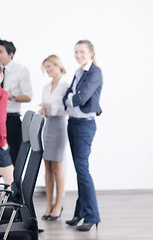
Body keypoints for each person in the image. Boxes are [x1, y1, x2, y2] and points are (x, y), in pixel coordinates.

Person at [63, 40, 103, 231]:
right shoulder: (79, 72)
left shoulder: (95, 72)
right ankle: (80, 213)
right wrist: (71, 97)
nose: (78, 55)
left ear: (91, 53)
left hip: (85, 125)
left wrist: (72, 97)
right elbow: (68, 96)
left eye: (82, 52)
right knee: (80, 169)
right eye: (76, 51)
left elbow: (80, 98)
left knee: (82, 169)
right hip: (72, 123)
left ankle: (92, 215)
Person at [38, 55, 70, 221]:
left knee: (57, 166)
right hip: (47, 125)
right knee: (47, 167)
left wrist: (50, 107)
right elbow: (46, 106)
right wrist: (44, 110)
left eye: (49, 66)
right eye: (45, 68)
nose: (47, 70)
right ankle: (49, 204)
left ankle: (58, 204)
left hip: (59, 126)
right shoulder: (46, 87)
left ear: (58, 65)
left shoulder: (66, 86)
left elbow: (67, 108)